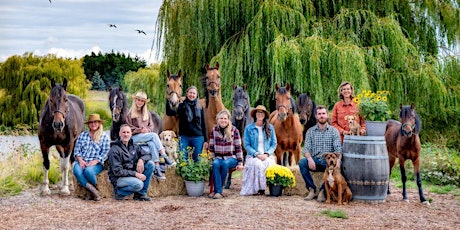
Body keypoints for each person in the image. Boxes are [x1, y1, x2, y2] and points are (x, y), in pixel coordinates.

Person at [126, 91, 175, 181]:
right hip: (134, 137)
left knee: (152, 143)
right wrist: (140, 130)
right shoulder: (130, 114)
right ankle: (164, 156)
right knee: (154, 136)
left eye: (142, 101)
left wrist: (147, 130)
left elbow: (151, 126)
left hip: (145, 137)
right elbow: (128, 128)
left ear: (144, 102)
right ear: (135, 100)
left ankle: (156, 168)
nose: (140, 102)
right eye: (138, 100)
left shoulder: (147, 113)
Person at [298, 105, 342, 202]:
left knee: (341, 164)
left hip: (329, 162)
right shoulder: (310, 131)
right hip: (315, 161)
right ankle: (312, 189)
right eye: (319, 114)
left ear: (327, 115)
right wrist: (309, 159)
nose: (321, 116)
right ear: (316, 116)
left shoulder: (334, 131)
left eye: (323, 113)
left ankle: (323, 190)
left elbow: (338, 149)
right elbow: (306, 149)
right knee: (302, 162)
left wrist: (338, 160)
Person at [107, 124, 154, 201]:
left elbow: (148, 155)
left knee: (150, 164)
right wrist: (136, 174)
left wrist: (141, 160)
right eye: (124, 132)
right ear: (120, 134)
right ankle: (119, 192)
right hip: (118, 178)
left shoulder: (134, 146)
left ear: (131, 134)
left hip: (130, 173)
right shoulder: (114, 149)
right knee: (139, 184)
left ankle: (140, 194)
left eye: (128, 132)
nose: (126, 134)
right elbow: (118, 172)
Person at [240, 105, 277, 196]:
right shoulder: (249, 128)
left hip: (266, 155)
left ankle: (267, 187)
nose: (260, 114)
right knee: (257, 164)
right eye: (258, 112)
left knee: (269, 164)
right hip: (253, 156)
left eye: (262, 112)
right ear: (255, 114)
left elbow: (274, 144)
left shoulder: (270, 128)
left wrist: (267, 154)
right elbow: (247, 145)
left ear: (265, 115)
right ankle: (258, 188)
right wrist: (256, 154)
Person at [72, 113, 110, 201]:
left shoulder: (104, 137)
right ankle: (94, 191)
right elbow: (77, 150)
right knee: (76, 170)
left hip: (96, 163)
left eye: (95, 122)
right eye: (91, 122)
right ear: (88, 124)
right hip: (82, 161)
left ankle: (90, 192)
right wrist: (80, 161)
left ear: (99, 123)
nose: (93, 124)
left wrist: (95, 161)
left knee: (88, 171)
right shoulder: (82, 135)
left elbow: (105, 153)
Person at [208, 109, 244, 199]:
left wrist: (240, 162)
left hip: (231, 158)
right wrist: (211, 158)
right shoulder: (214, 130)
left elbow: (238, 147)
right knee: (215, 164)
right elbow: (211, 147)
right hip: (218, 157)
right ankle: (218, 192)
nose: (223, 120)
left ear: (228, 120)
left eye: (225, 118)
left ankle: (218, 190)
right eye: (221, 118)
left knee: (225, 163)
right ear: (218, 120)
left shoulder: (234, 130)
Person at [167, 86, 207, 162]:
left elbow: (203, 124)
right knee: (182, 158)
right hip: (184, 136)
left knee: (197, 160)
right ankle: (183, 173)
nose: (192, 95)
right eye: (190, 93)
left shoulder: (200, 107)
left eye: (194, 93)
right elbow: (170, 112)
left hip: (198, 137)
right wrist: (168, 99)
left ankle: (196, 173)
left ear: (196, 95)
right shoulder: (181, 106)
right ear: (187, 94)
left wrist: (206, 140)